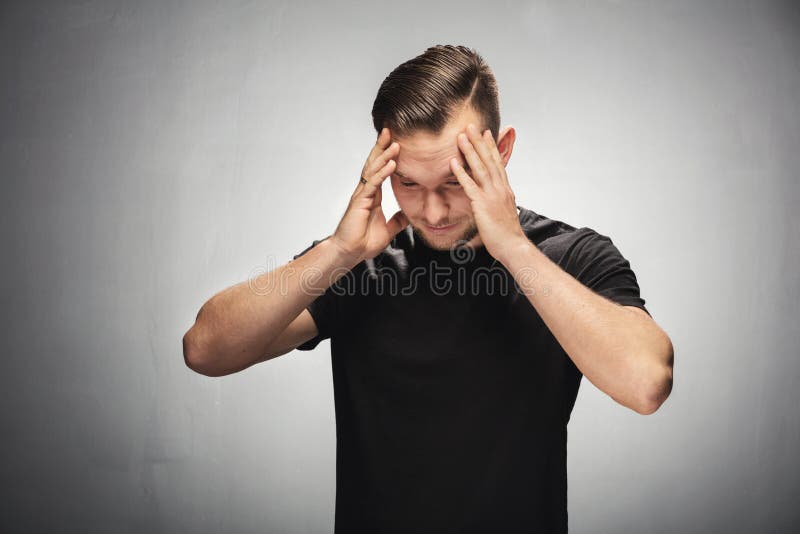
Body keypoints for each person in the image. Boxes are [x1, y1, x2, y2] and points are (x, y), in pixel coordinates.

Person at [183, 44, 674, 533]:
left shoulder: (571, 257)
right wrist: (337, 250)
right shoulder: (359, 266)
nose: (434, 213)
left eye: (455, 181)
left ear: (499, 153)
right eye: (409, 184)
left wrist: (515, 250)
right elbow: (206, 350)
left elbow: (646, 383)